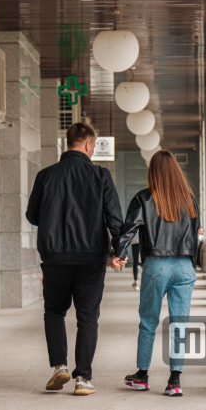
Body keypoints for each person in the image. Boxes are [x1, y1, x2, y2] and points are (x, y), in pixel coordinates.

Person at [26, 122, 126, 396]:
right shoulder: (101, 175)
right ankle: (83, 378)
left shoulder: (45, 175)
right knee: (88, 318)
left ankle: (59, 366)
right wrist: (119, 252)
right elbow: (114, 219)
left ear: (67, 143)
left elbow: (32, 216)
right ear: (89, 145)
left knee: (54, 312)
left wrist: (54, 217)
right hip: (91, 259)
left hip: (55, 257)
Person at [112, 150, 200, 397]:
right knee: (179, 324)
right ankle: (175, 381)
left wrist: (119, 253)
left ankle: (142, 376)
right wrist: (191, 264)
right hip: (184, 266)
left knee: (148, 322)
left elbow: (129, 230)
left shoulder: (143, 198)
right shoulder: (189, 200)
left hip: (155, 266)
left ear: (152, 172)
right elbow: (195, 235)